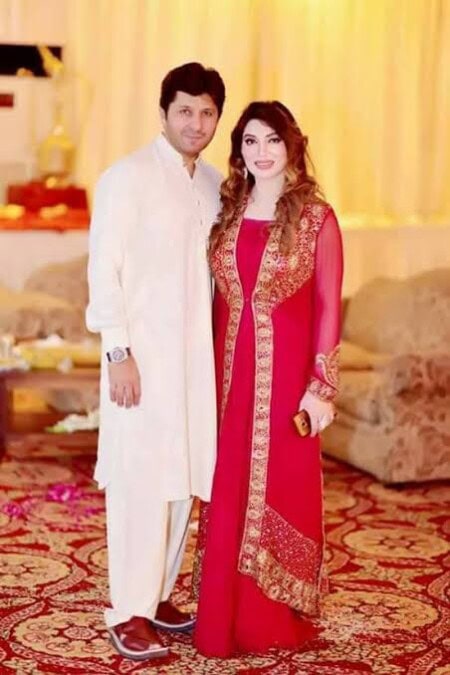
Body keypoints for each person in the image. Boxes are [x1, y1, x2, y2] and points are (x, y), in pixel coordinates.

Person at [86, 62, 225, 661]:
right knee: (140, 482)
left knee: (184, 480)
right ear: (163, 112)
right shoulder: (126, 178)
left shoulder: (215, 184)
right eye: (185, 110)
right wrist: (117, 351)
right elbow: (104, 270)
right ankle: (128, 611)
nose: (196, 123)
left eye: (207, 113)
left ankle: (158, 595)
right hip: (139, 361)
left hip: (196, 366)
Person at [193, 101, 343, 657]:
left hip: (285, 382)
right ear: (239, 150)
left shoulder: (316, 219)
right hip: (227, 377)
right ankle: (221, 616)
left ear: (292, 145)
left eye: (272, 140)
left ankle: (268, 619)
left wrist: (321, 386)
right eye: (250, 141)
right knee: (228, 483)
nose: (261, 152)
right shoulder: (228, 211)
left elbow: (328, 304)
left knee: (281, 483)